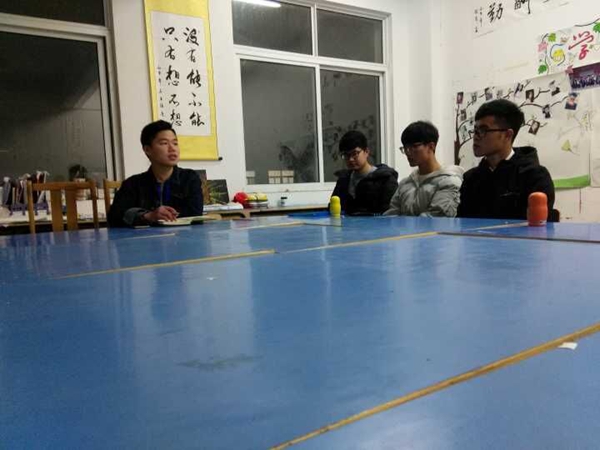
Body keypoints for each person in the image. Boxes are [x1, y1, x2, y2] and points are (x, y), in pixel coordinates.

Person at [457, 99, 555, 220]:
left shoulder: (535, 176)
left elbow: (538, 226)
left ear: (508, 135)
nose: (476, 137)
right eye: (475, 130)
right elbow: (462, 224)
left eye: (483, 130)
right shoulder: (470, 179)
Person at [108, 120, 203, 227]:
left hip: (183, 236)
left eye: (175, 143)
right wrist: (148, 216)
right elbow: (114, 217)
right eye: (164, 143)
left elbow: (195, 213)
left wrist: (167, 216)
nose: (172, 148)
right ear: (147, 150)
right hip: (146, 237)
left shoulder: (189, 178)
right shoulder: (132, 184)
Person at [384, 121, 463, 217]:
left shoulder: (448, 181)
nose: (408, 152)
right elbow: (392, 215)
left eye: (414, 146)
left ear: (431, 146)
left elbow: (437, 217)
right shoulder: (405, 183)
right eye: (405, 148)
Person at [331, 130, 398, 215]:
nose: (351, 159)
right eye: (346, 155)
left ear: (366, 152)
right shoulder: (343, 180)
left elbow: (389, 214)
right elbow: (333, 208)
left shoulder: (385, 179)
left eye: (355, 153)